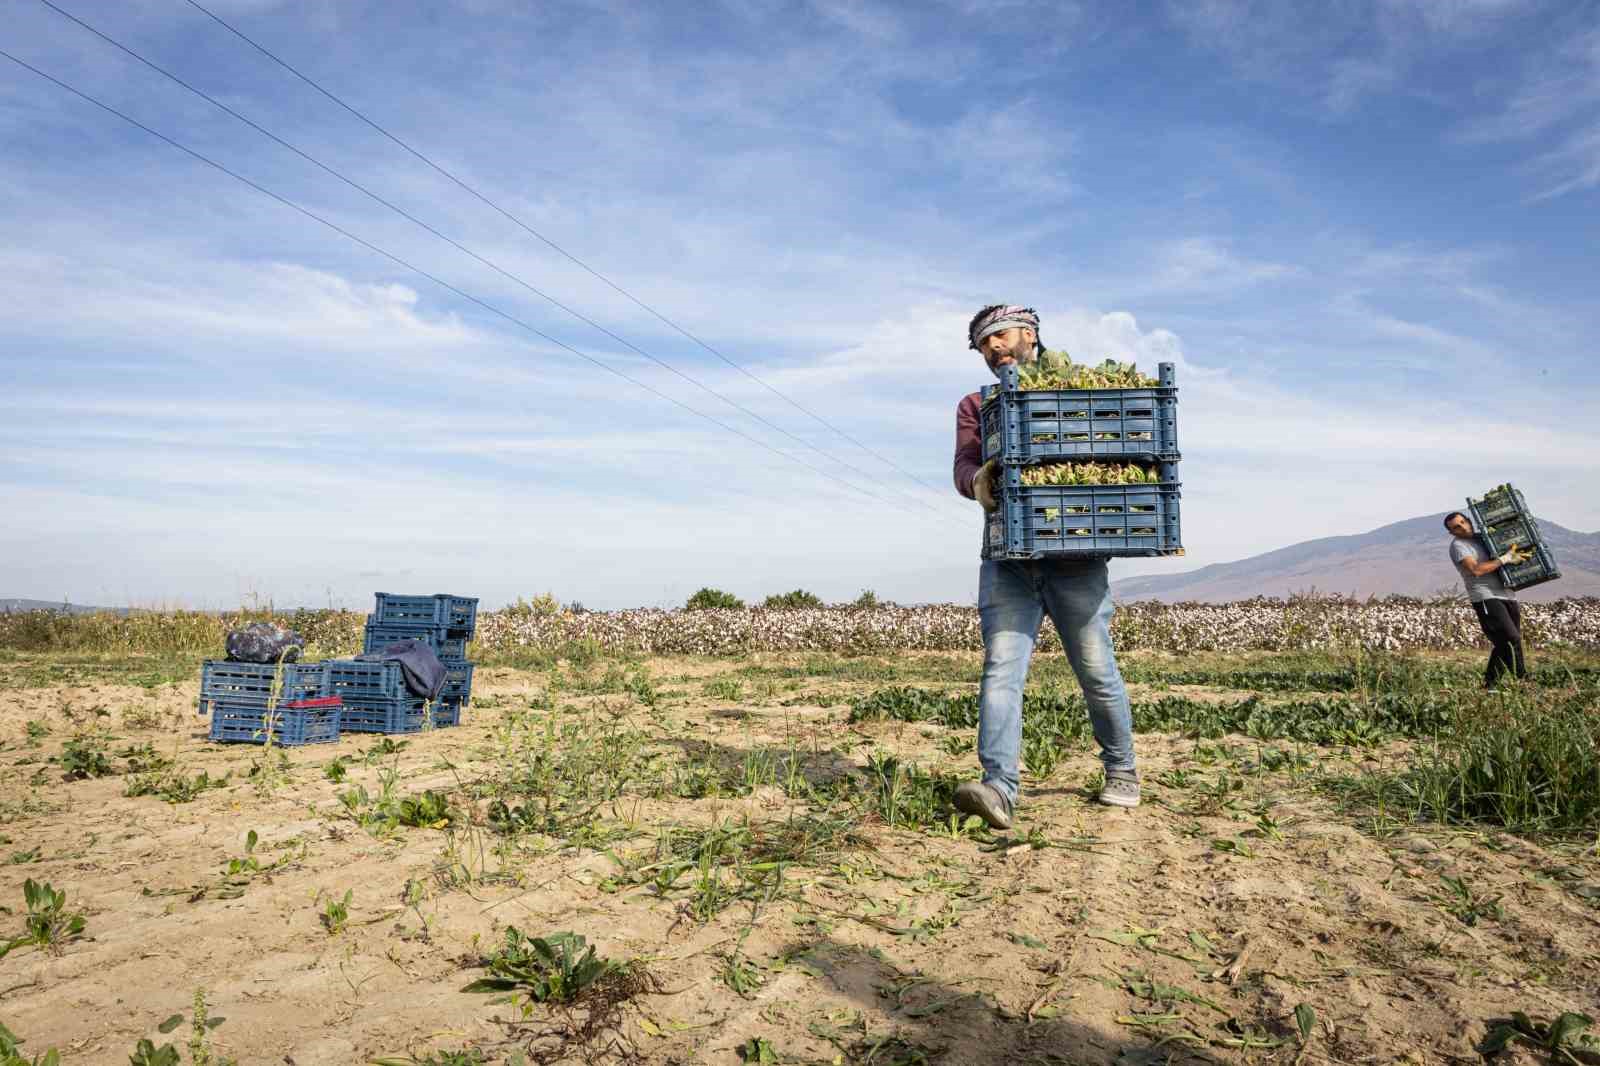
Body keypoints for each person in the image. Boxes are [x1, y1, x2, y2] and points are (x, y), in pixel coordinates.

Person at [949, 304, 1139, 828]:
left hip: (1074, 560)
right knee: (1001, 672)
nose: (993, 348)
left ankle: (1122, 770)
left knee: (1096, 670)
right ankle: (999, 789)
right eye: (984, 343)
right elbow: (964, 465)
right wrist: (975, 482)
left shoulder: (1078, 391)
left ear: (1029, 334)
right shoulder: (976, 405)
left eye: (1001, 336)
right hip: (1007, 558)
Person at [1444, 511, 1530, 688]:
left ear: (1469, 520)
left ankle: (1489, 685)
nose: (1462, 527)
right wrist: (1505, 558)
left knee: (1503, 642)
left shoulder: (1484, 538)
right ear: (1452, 533)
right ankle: (1524, 682)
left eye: (1463, 522)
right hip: (1485, 596)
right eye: (1456, 527)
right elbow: (1475, 569)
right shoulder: (1459, 546)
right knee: (1510, 638)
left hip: (1507, 593)